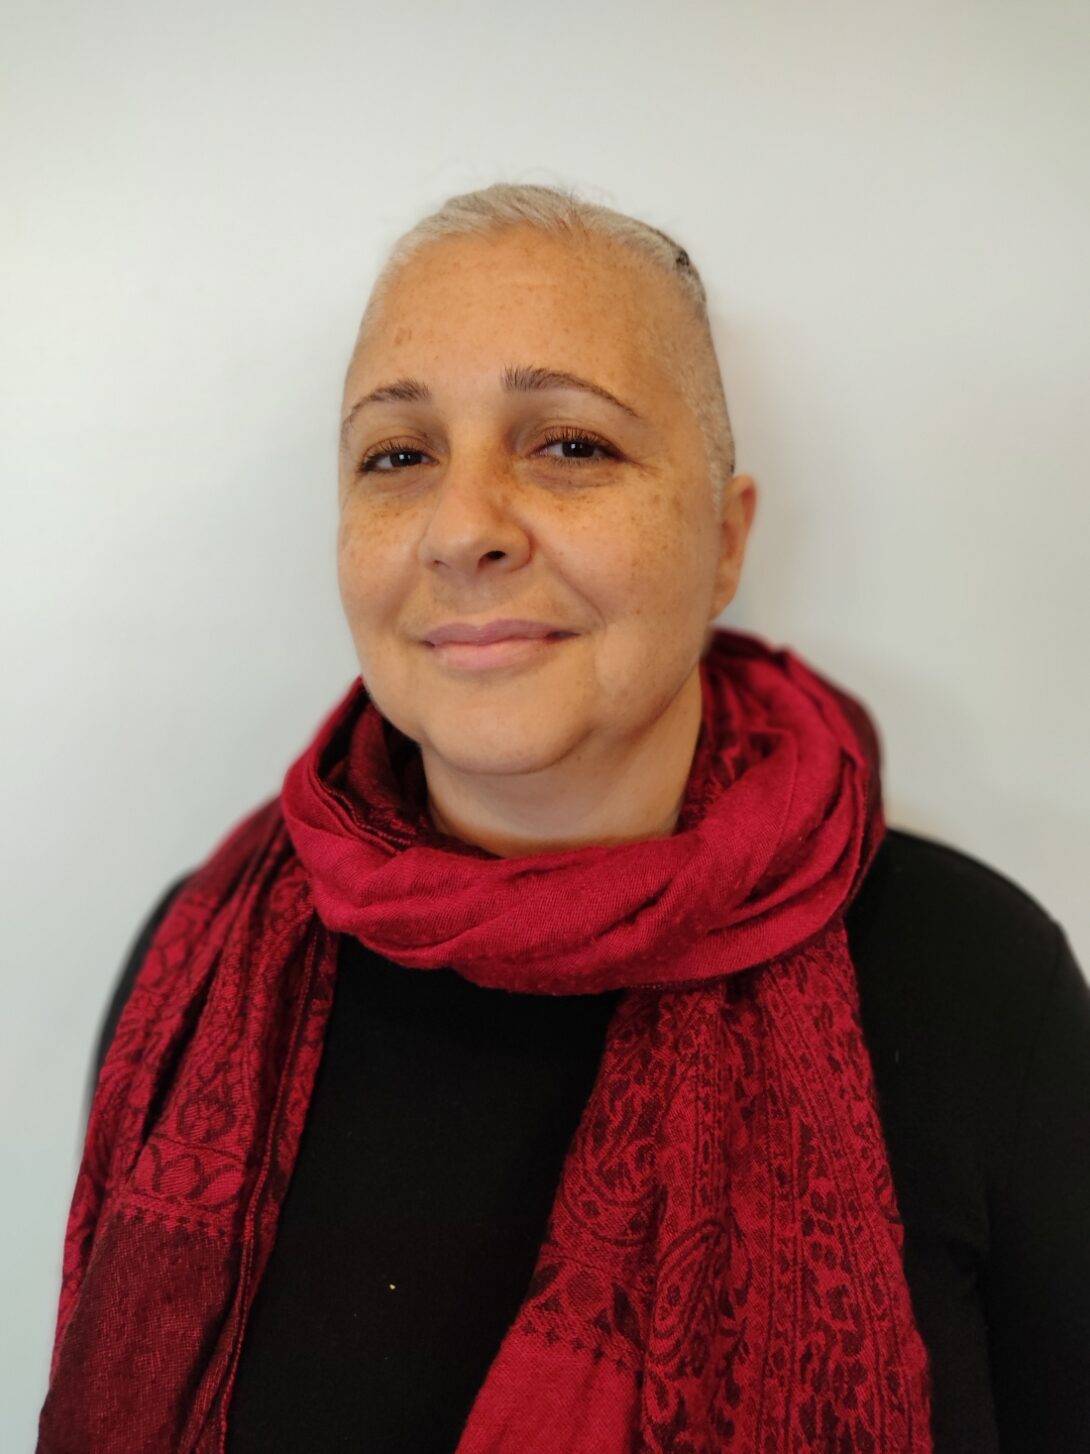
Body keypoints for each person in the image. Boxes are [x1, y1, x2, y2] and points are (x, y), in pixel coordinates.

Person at [38, 183, 1089, 1454]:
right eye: (396, 454)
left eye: (570, 444)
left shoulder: (979, 983)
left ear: (723, 542)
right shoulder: (196, 963)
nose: (463, 527)